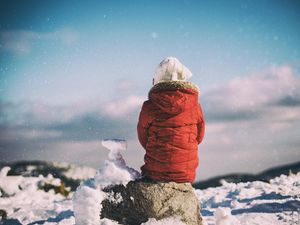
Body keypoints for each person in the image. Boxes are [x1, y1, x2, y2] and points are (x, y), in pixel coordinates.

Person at [137, 57, 205, 183]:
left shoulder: (149, 106)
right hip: (185, 174)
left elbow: (143, 138)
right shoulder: (195, 106)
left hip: (155, 173)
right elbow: (199, 137)